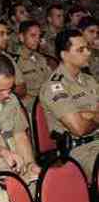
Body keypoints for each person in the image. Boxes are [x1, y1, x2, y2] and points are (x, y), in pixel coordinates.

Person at [39, 29, 99, 178]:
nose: (88, 53)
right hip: (82, 150)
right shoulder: (55, 87)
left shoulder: (88, 80)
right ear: (64, 55)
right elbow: (79, 128)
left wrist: (89, 115)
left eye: (87, 48)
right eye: (80, 50)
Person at [16, 20, 52, 111]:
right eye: (32, 35)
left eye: (39, 36)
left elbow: (50, 82)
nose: (37, 39)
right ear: (21, 37)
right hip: (31, 108)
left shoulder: (41, 58)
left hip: (49, 102)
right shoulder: (15, 61)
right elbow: (19, 95)